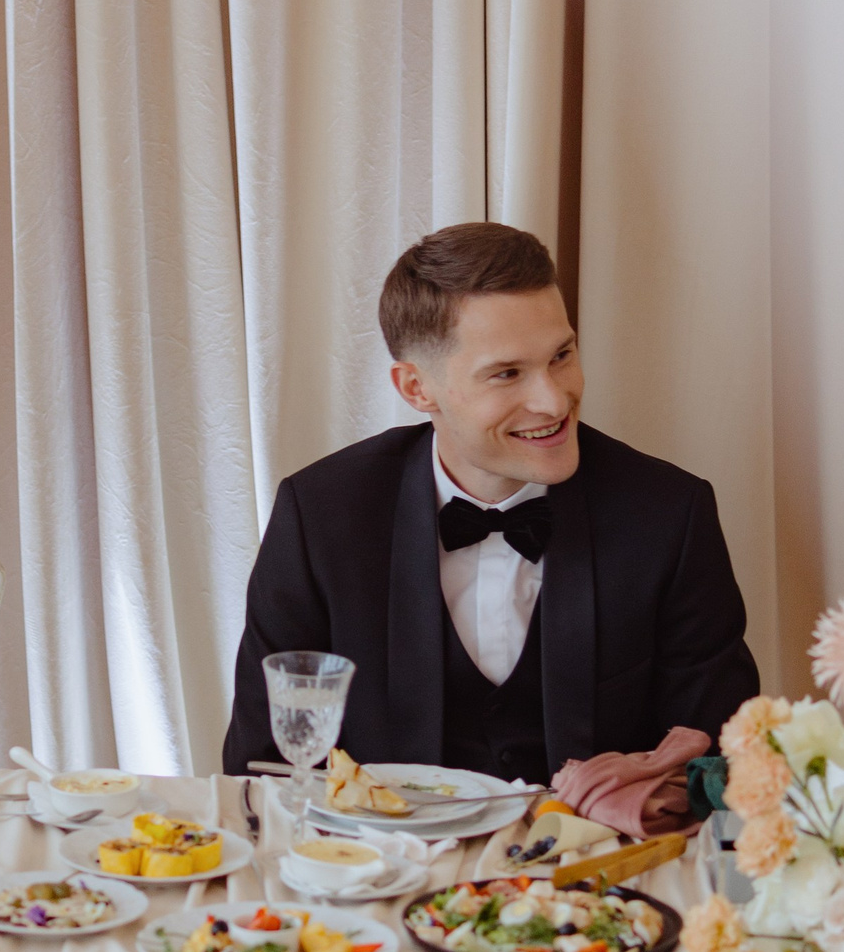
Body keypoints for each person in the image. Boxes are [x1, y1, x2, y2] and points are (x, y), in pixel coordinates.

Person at [223, 222, 757, 788]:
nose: (554, 401)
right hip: (382, 845)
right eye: (507, 373)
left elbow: (722, 765)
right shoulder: (321, 516)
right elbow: (261, 769)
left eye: (561, 355)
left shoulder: (669, 515)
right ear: (416, 388)